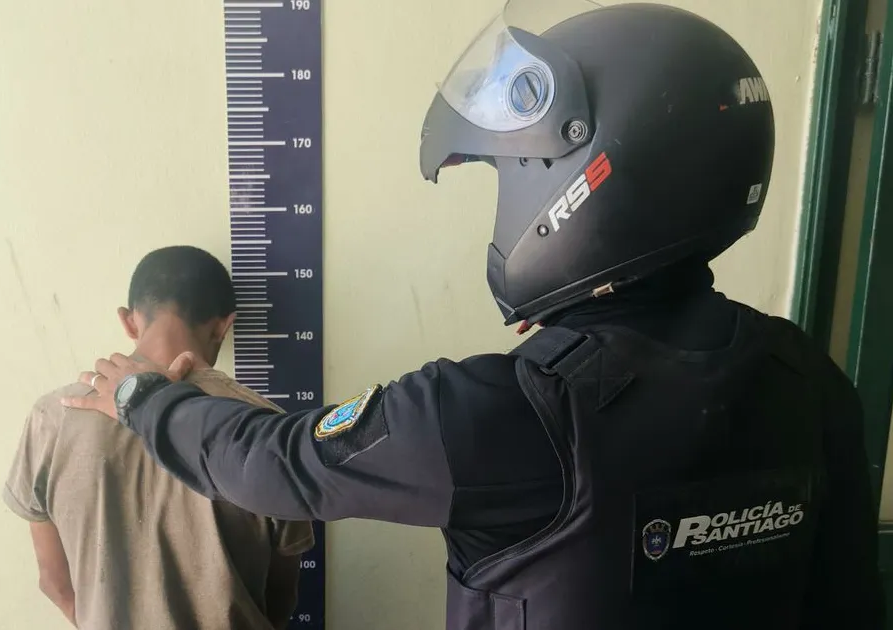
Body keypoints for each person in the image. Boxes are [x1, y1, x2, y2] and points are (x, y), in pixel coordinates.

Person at [63, 3, 884, 629]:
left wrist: (145, 398)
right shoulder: (811, 380)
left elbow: (276, 464)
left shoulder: (513, 413)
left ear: (580, 181)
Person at [2, 245, 314, 629]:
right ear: (223, 326)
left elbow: (53, 581)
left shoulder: (53, 416)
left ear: (129, 322)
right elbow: (281, 594)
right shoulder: (264, 425)